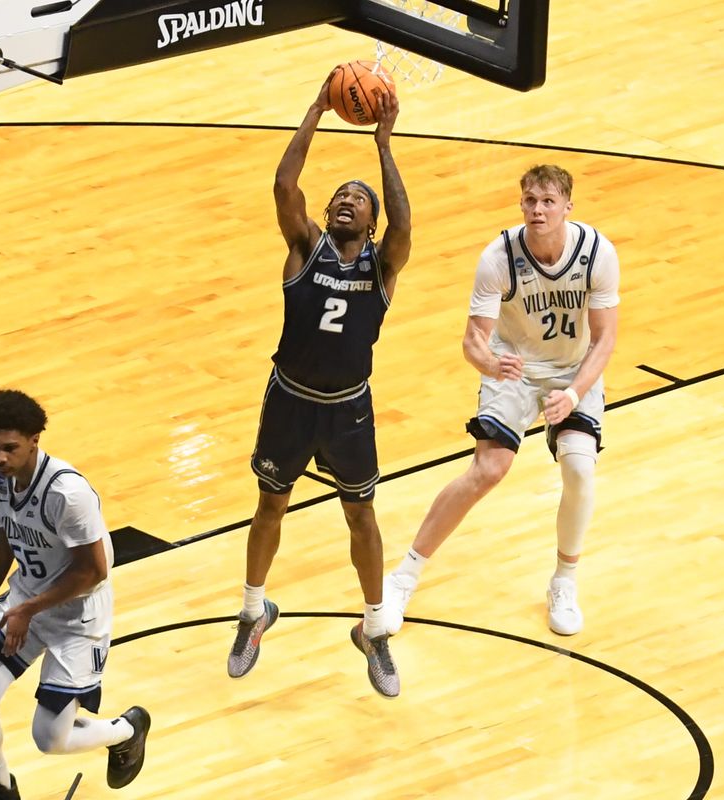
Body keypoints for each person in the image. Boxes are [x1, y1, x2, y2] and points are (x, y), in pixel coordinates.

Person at [226, 71, 411, 697]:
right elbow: (284, 185)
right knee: (270, 503)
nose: (344, 199)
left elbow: (406, 227)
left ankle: (375, 630)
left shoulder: (383, 267)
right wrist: (315, 108)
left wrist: (383, 147)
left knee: (362, 514)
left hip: (348, 410)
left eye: (357, 198)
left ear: (372, 220)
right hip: (290, 400)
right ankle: (254, 613)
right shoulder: (305, 248)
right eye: (338, 194)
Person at [382, 164, 619, 637]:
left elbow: (606, 339)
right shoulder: (499, 257)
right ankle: (402, 578)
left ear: (568, 207)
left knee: (579, 466)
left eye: (548, 201)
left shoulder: (598, 253)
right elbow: (472, 341)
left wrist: (573, 394)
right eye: (530, 200)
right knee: (488, 469)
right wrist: (490, 365)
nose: (537, 210)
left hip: (574, 369)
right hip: (515, 366)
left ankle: (564, 581)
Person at [0, 389, 150, 799]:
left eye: (10, 448)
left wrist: (28, 611)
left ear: (35, 440)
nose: (0, 459)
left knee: (49, 738)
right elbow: (1, 549)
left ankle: (127, 730)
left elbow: (93, 570)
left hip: (78, 615)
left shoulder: (66, 494)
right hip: (28, 601)